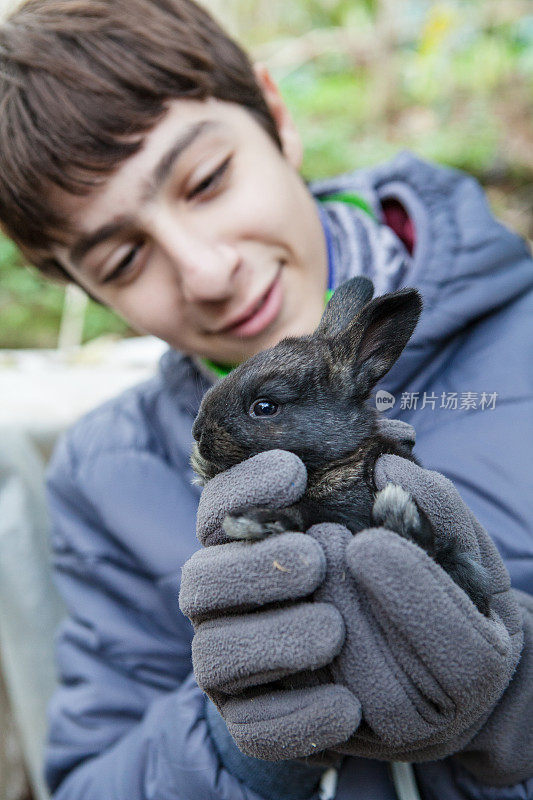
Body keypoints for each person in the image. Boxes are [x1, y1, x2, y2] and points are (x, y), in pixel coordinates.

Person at [0, 1, 532, 798]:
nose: (207, 273)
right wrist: (238, 731)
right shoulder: (105, 477)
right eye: (120, 258)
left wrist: (516, 706)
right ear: (79, 287)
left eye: (206, 180)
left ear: (276, 116)